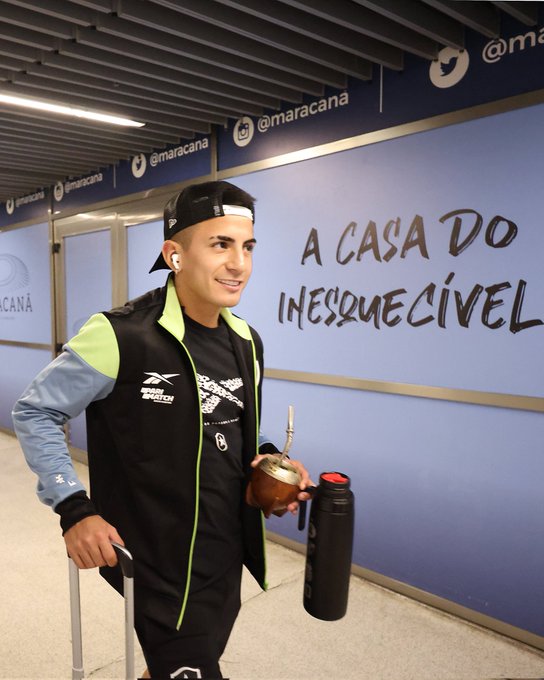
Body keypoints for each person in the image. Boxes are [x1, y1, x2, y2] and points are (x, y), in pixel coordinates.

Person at [12, 180, 311, 679]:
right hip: (156, 561)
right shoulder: (120, 334)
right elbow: (36, 411)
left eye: (247, 247)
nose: (239, 263)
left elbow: (232, 424)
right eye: (220, 245)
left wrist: (267, 460)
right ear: (175, 254)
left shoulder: (246, 340)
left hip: (223, 554)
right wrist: (73, 508)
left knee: (180, 662)